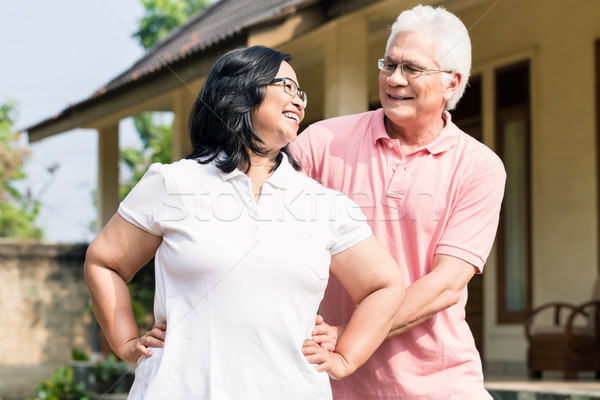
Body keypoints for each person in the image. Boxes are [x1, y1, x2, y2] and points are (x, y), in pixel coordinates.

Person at [84, 45, 404, 400]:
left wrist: (345, 356)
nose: (299, 100)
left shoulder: (323, 204)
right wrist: (127, 341)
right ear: (240, 90)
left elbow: (385, 286)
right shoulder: (173, 183)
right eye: (286, 86)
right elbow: (104, 261)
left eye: (302, 93)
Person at [291, 5, 506, 400]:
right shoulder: (322, 143)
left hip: (439, 383)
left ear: (452, 83)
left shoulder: (480, 167)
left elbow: (445, 285)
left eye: (412, 68)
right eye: (388, 64)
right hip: (331, 385)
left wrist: (350, 334)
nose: (393, 79)